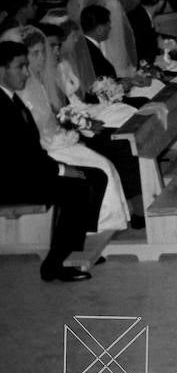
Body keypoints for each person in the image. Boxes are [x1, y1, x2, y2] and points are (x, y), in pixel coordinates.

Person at [0, 41, 105, 282]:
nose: (27, 72)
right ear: (1, 69)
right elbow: (15, 156)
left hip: (24, 171)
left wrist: (61, 168)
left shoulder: (12, 99)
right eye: (20, 67)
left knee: (97, 176)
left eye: (27, 66)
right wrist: (60, 170)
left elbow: (29, 150)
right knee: (76, 190)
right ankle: (54, 264)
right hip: (9, 180)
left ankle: (76, 250)